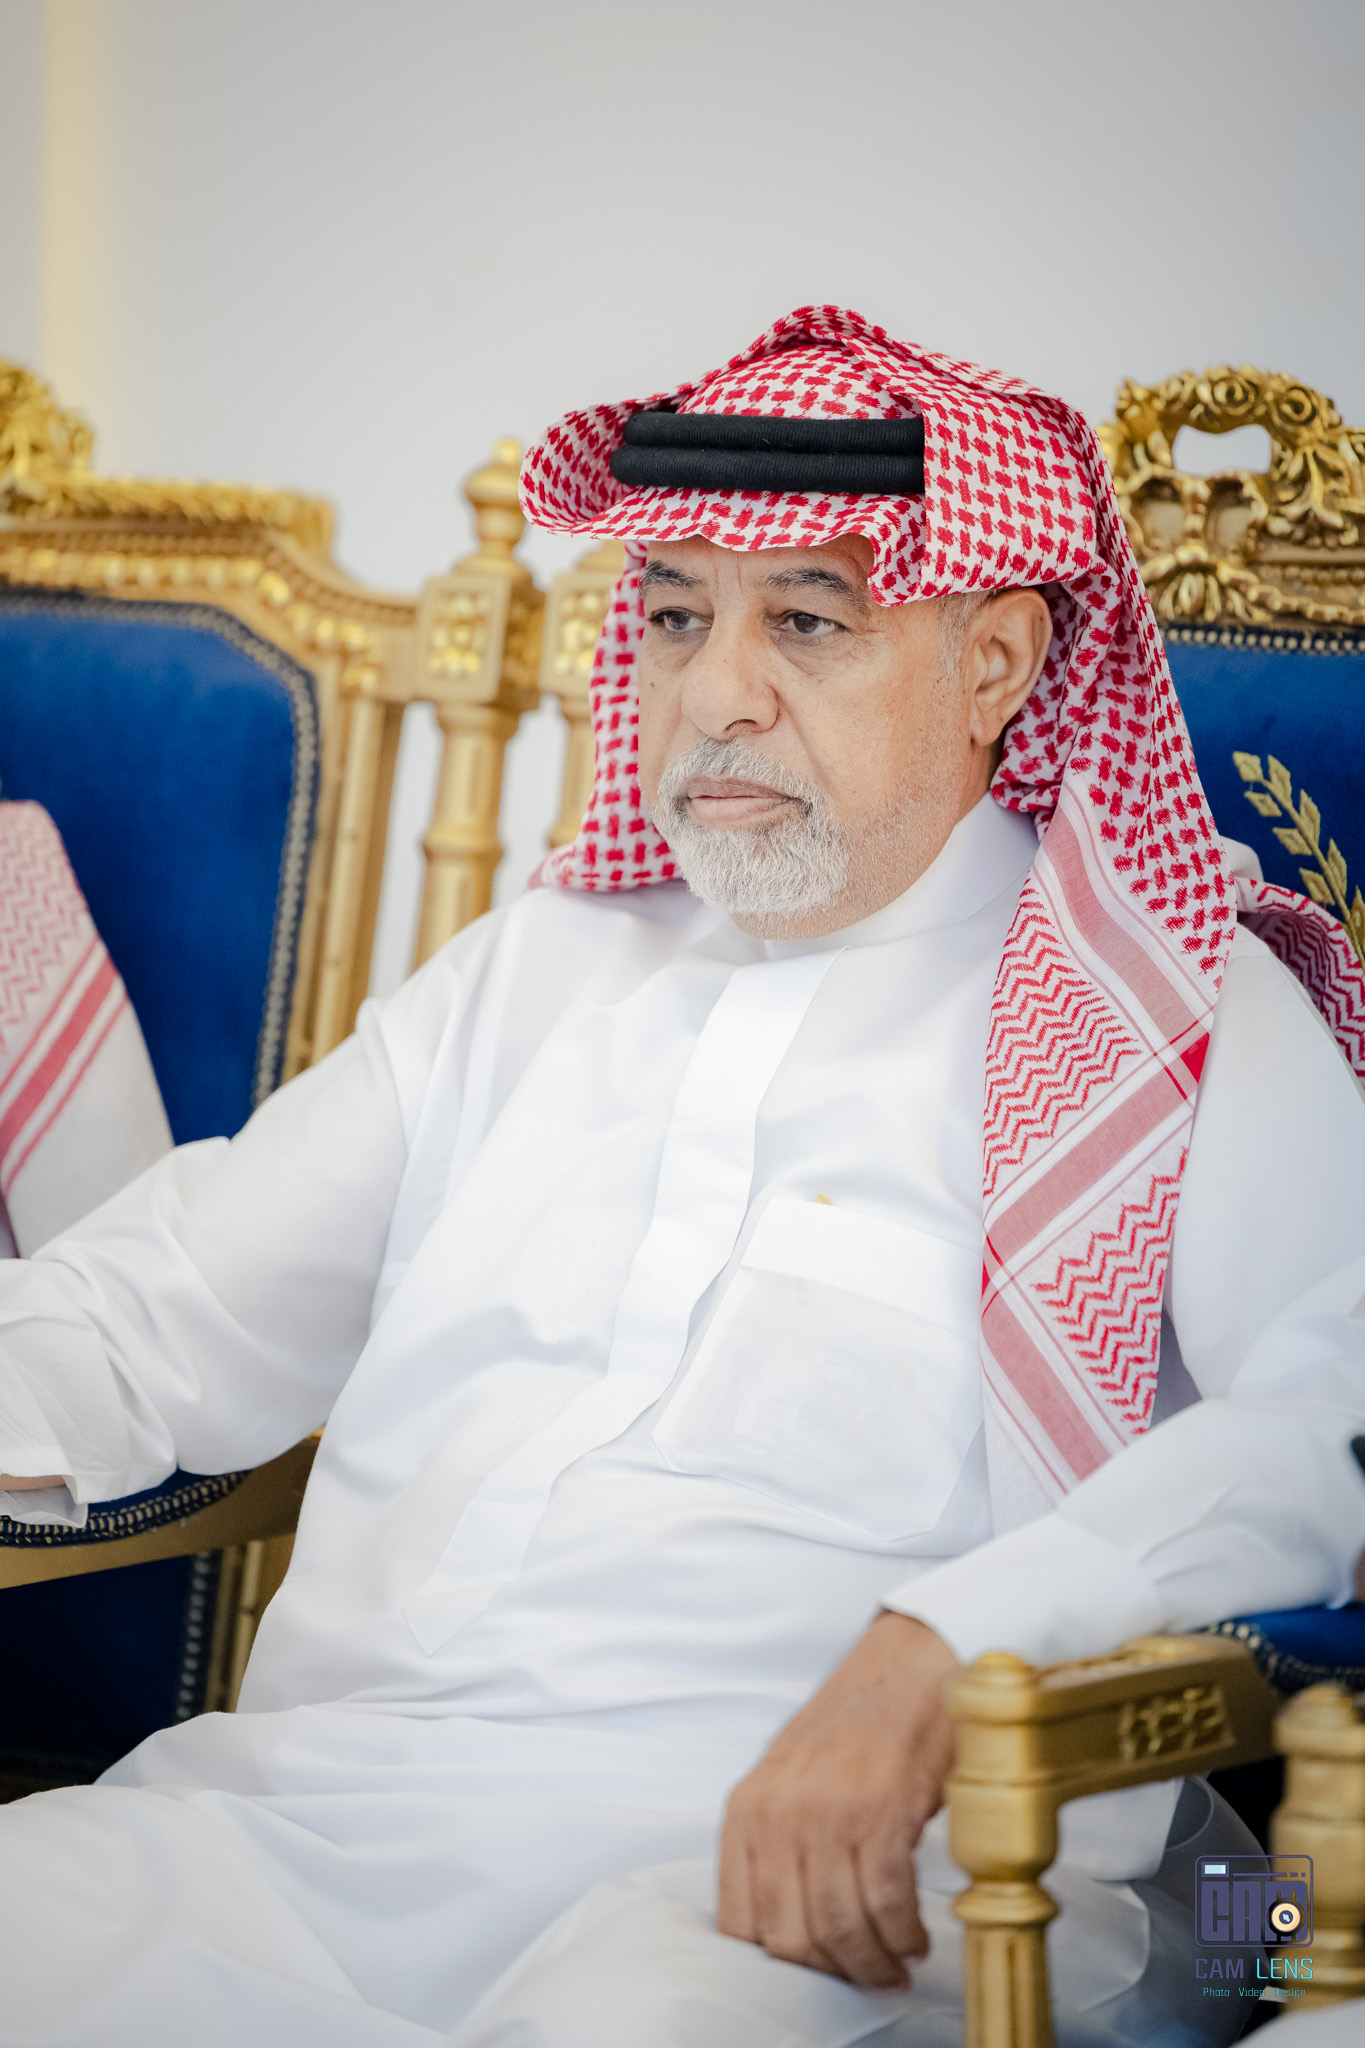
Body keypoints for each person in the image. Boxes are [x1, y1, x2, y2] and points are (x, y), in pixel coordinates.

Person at [2, 304, 1364, 2048]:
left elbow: (1330, 1421)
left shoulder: (1168, 1012)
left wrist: (945, 1644)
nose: (717, 692)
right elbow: (157, 1311)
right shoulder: (542, 966)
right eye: (672, 616)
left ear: (997, 663)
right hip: (305, 1824)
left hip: (856, 1884)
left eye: (806, 619)